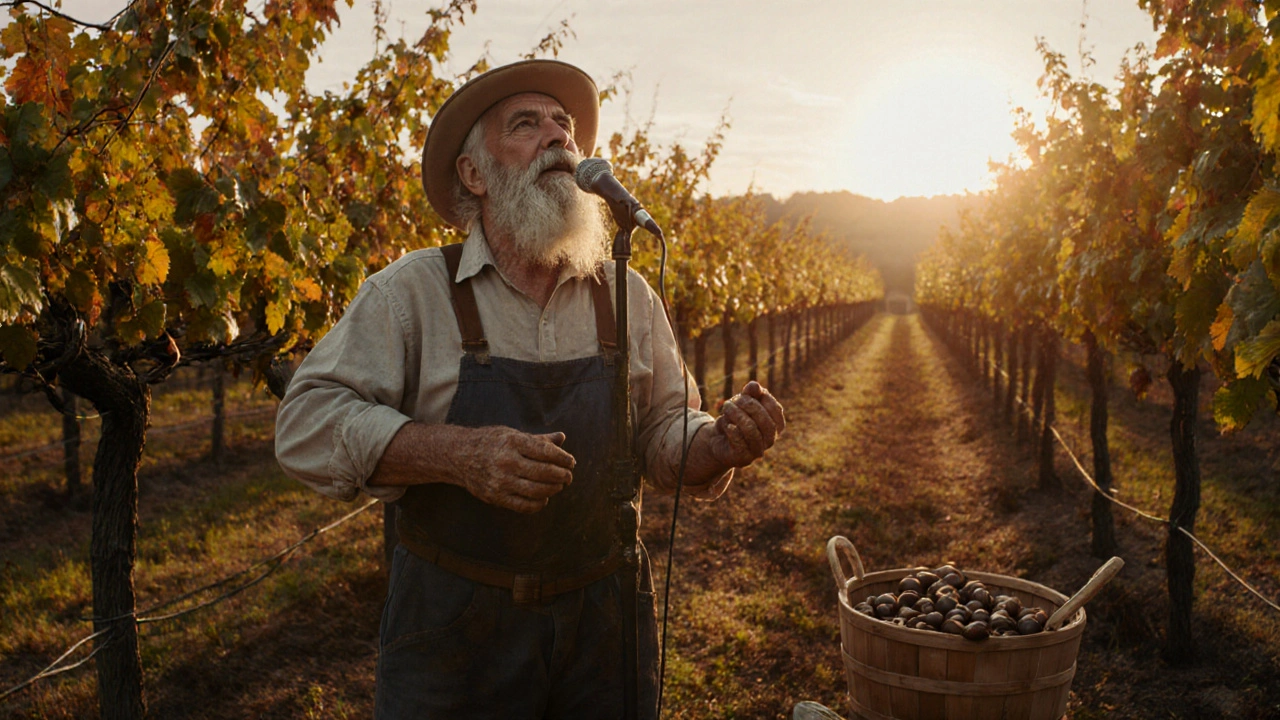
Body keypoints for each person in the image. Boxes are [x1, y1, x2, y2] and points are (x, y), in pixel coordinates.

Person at [274, 59, 786, 720]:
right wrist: (457, 454)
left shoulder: (625, 294)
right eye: (526, 124)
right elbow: (305, 424)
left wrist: (715, 444)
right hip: (455, 630)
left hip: (605, 622)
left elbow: (664, 428)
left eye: (564, 126)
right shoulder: (413, 293)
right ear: (474, 174)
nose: (558, 138)